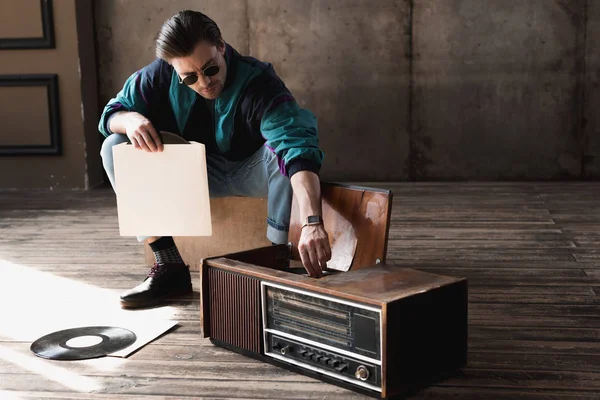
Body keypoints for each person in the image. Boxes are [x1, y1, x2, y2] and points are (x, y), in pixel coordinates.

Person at [99, 10, 332, 308]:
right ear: (173, 68)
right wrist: (129, 119)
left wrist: (313, 221)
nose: (205, 83)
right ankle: (168, 265)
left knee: (283, 154)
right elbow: (111, 114)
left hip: (252, 173)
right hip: (194, 175)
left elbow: (298, 147)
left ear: (221, 46)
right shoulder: (157, 75)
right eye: (190, 78)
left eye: (210, 69)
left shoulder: (259, 81)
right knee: (114, 145)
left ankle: (275, 264)